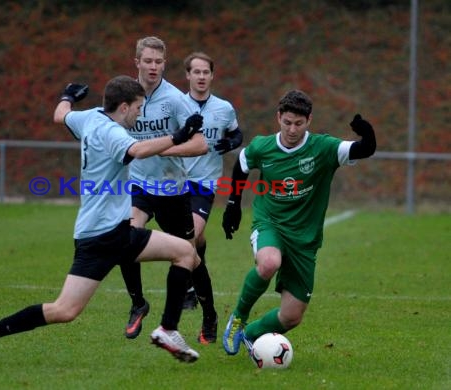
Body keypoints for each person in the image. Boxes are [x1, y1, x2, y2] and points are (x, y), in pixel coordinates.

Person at [0, 75, 206, 366]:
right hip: (100, 236)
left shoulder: (89, 117)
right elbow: (137, 151)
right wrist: (178, 137)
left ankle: (168, 329)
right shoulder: (112, 133)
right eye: (139, 108)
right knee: (65, 310)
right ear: (125, 107)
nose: (141, 114)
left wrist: (67, 97)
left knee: (185, 252)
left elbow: (61, 116)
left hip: (118, 232)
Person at [220, 89, 376, 366]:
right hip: (271, 223)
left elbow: (364, 149)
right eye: (287, 122)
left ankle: (251, 333)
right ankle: (238, 318)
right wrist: (233, 203)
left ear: (309, 121)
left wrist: (368, 134)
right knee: (269, 263)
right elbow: (242, 165)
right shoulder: (263, 147)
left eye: (299, 124)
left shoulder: (323, 148)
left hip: (305, 238)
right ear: (278, 117)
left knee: (291, 317)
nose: (292, 129)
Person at [119, 36, 218, 346]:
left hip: (173, 189)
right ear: (137, 62)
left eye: (158, 62)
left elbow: (201, 144)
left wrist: (161, 149)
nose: (153, 67)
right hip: (138, 186)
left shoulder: (176, 100)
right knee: (125, 237)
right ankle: (138, 303)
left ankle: (209, 314)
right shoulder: (125, 95)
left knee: (191, 255)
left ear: (165, 63)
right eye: (147, 61)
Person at [181, 51, 243, 343]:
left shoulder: (224, 108)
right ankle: (193, 282)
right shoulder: (176, 104)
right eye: (196, 72)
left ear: (212, 75)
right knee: (195, 239)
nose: (201, 77)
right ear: (188, 76)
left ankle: (193, 294)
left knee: (186, 240)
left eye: (206, 72)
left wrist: (231, 141)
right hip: (174, 182)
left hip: (204, 184)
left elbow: (237, 134)